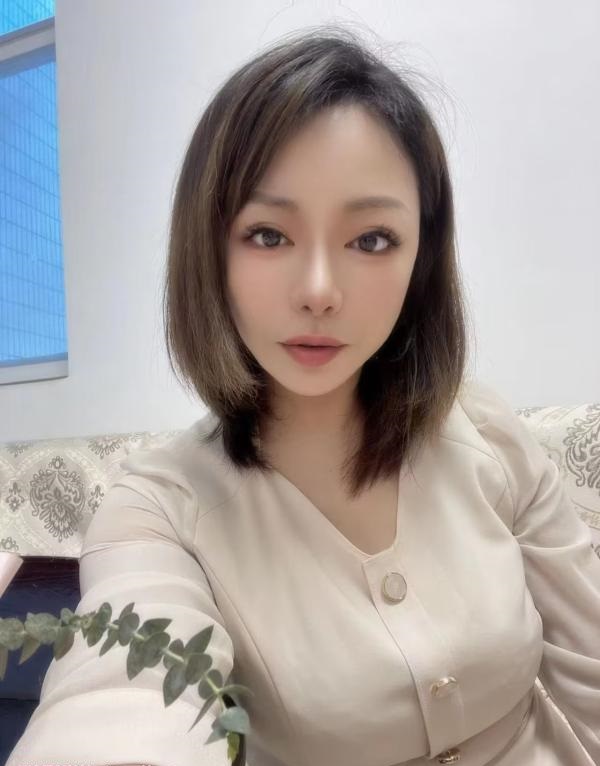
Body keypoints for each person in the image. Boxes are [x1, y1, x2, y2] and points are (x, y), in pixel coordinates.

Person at [6, 24, 600, 766]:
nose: (319, 291)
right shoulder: (158, 512)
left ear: (421, 256)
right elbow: (121, 694)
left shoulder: (489, 435)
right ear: (209, 250)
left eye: (372, 239)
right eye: (267, 235)